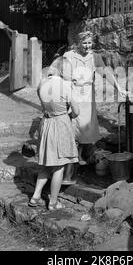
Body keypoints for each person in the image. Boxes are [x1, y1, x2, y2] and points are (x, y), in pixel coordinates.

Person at [63, 31, 127, 165]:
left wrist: (118, 88)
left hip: (88, 94)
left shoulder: (95, 57)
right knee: (74, 123)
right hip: (73, 91)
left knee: (87, 124)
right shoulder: (69, 56)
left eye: (89, 43)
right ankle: (74, 156)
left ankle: (85, 151)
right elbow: (65, 77)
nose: (87, 46)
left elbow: (106, 74)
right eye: (84, 43)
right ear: (78, 43)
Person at [28, 56, 80, 210]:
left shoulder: (42, 84)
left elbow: (45, 105)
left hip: (47, 123)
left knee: (46, 164)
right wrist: (69, 115)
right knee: (59, 166)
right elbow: (76, 111)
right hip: (60, 123)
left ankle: (35, 196)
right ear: (64, 70)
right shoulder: (66, 86)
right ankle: (53, 202)